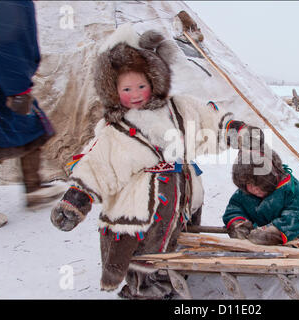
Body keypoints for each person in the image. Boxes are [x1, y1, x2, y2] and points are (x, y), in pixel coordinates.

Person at [50, 24, 264, 299]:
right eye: (126, 88)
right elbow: (100, 165)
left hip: (182, 194)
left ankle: (174, 275)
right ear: (113, 90)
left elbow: (207, 121)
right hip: (141, 205)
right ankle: (144, 290)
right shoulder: (116, 128)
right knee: (145, 251)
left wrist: (235, 131)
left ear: (154, 80)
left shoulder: (178, 108)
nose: (136, 93)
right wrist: (77, 198)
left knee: (177, 237)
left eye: (142, 85)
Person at [0, 0, 65, 228]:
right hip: (3, 80)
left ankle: (34, 188)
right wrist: (18, 88)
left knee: (32, 127)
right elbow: (6, 43)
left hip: (5, 80)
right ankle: (33, 188)